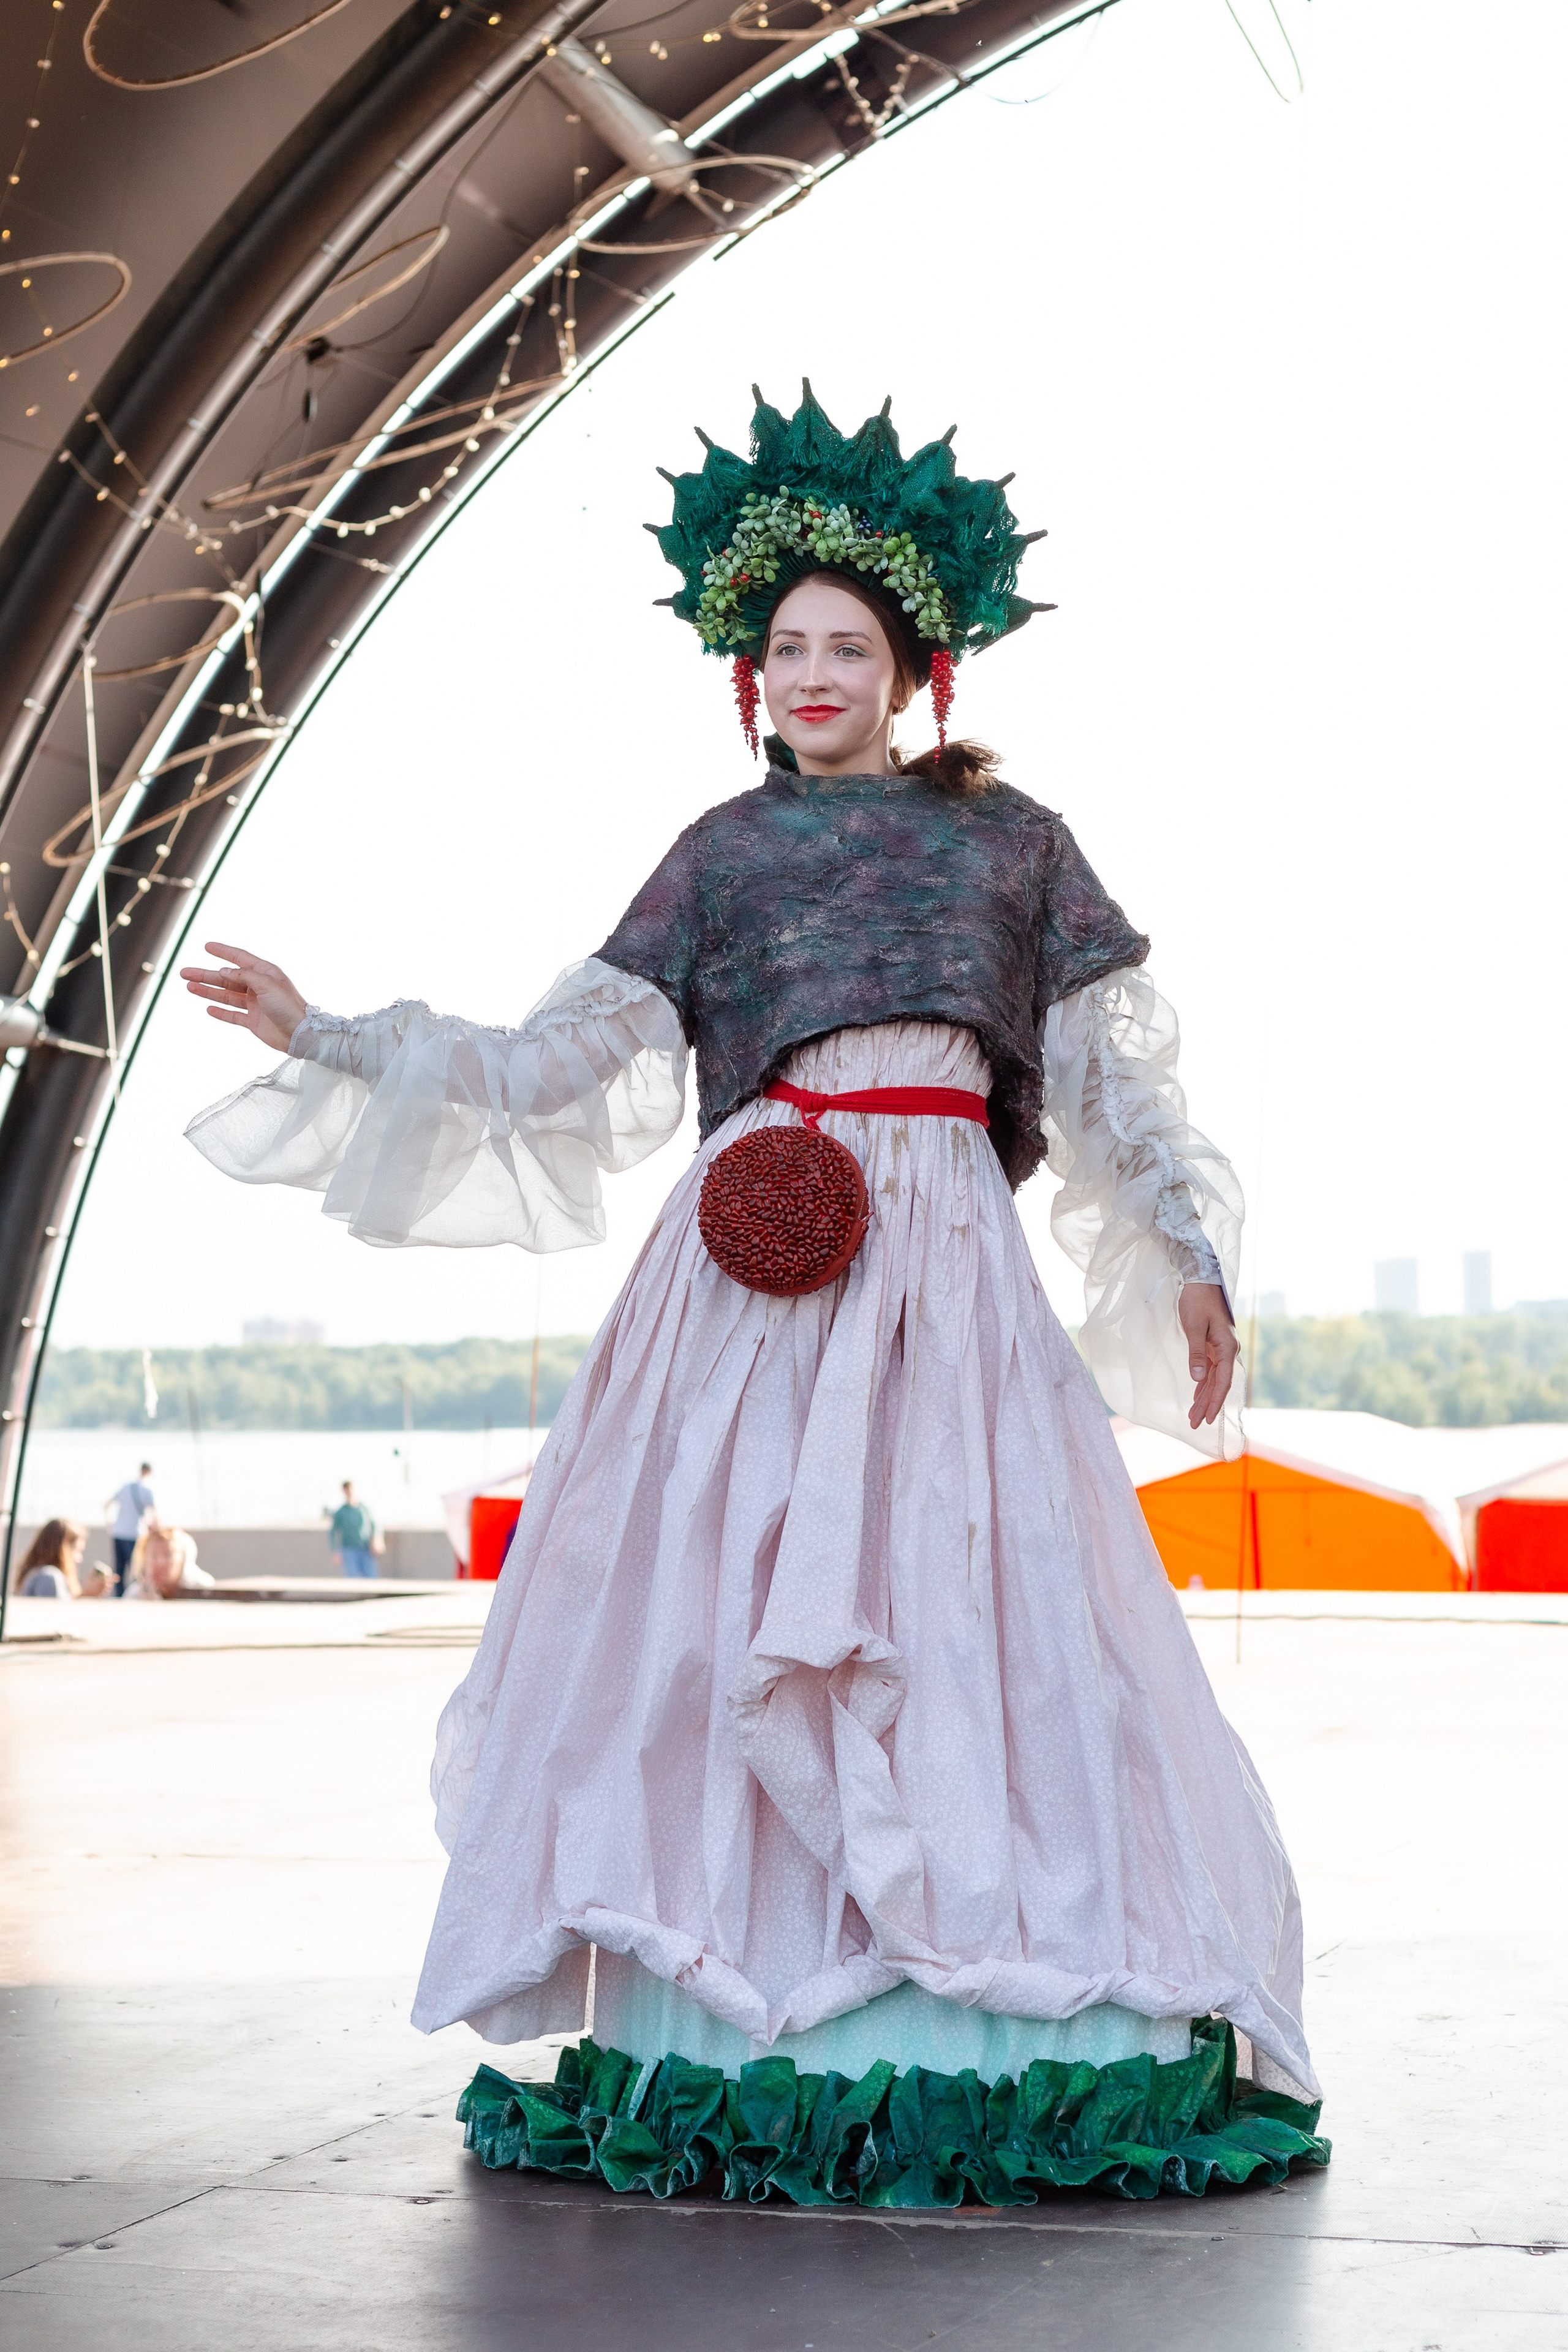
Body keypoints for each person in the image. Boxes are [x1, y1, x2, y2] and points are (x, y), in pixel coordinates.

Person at [179, 388, 1327, 2205]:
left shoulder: (1010, 843)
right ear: (748, 672)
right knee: (724, 1605)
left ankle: (986, 1995)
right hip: (752, 1264)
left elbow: (1115, 1091)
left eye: (843, 645)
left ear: (908, 663)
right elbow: (564, 1061)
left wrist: (1184, 1253)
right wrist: (328, 1032)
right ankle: (742, 2002)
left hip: (939, 1258)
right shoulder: (719, 853)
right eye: (783, 646)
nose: (810, 671)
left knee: (964, 1589)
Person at [12, 1518, 108, 1598]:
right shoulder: (48, 1576)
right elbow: (55, 1618)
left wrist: (86, 1595)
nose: (79, 1559)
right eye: (77, 1550)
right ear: (63, 1549)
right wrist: (85, 1597)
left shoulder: (43, 1574)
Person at [124, 1524, 216, 1600]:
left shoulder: (205, 1590)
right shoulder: (134, 1596)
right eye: (154, 1556)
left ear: (183, 1559)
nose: (160, 1563)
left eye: (168, 1555)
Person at [107, 1462, 155, 1597]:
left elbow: (107, 1504)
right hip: (135, 1533)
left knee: (119, 1570)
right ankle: (135, 1597)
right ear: (149, 1472)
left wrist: (109, 1524)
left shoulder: (126, 1487)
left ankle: (118, 1598)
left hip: (118, 1532)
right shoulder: (147, 1490)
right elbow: (154, 1513)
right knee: (137, 1570)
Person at [327, 1481, 380, 1578]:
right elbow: (333, 1532)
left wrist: (377, 1539)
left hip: (365, 1549)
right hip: (349, 1550)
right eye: (347, 1489)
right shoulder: (341, 1512)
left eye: (351, 1489)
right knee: (352, 1579)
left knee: (372, 1578)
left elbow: (375, 1525)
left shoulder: (364, 1509)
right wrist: (335, 1551)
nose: (350, 1492)